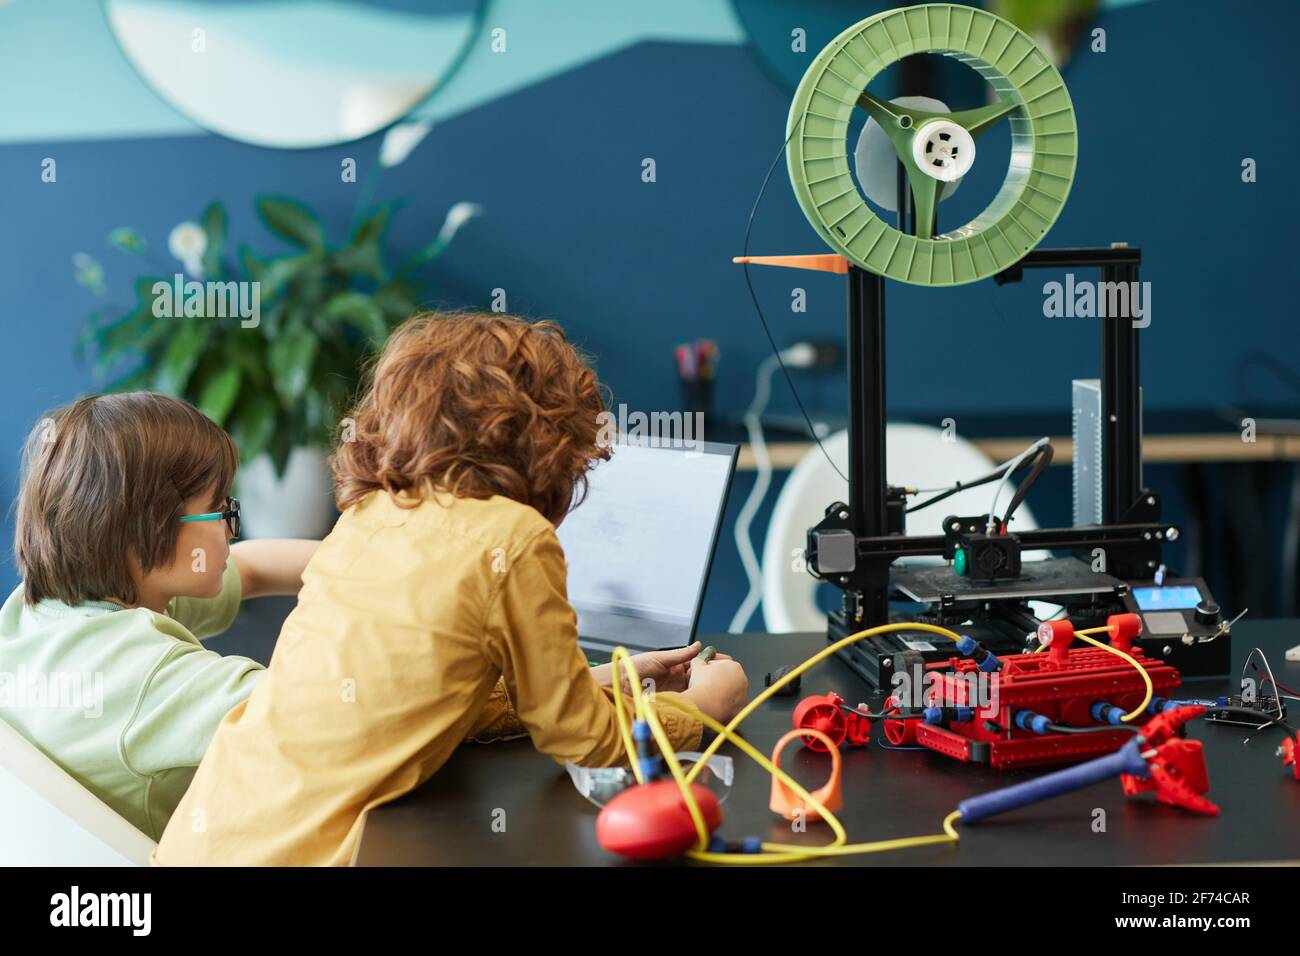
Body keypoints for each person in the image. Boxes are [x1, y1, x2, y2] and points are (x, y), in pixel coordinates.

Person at [155, 312, 749, 865]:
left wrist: (619, 680)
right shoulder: (513, 536)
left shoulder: (370, 515)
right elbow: (580, 737)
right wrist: (702, 710)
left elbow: (445, 693)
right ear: (551, 444)